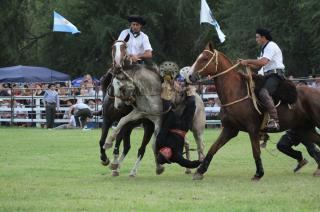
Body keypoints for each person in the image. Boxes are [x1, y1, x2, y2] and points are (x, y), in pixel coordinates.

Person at [239, 28, 285, 131]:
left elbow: (263, 62)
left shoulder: (271, 46)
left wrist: (247, 61)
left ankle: (275, 121)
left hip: (276, 75)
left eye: (257, 37)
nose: (256, 39)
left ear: (263, 37)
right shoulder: (264, 48)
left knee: (264, 93)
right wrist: (246, 64)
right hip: (267, 76)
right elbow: (258, 66)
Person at [155, 75, 201, 168]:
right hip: (184, 127)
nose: (166, 151)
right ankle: (190, 85)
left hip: (172, 125)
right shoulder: (176, 157)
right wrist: (200, 162)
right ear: (169, 157)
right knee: (192, 103)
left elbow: (164, 128)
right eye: (166, 154)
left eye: (163, 152)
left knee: (166, 104)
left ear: (161, 150)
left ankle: (167, 83)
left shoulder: (159, 142)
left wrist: (170, 114)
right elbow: (187, 163)